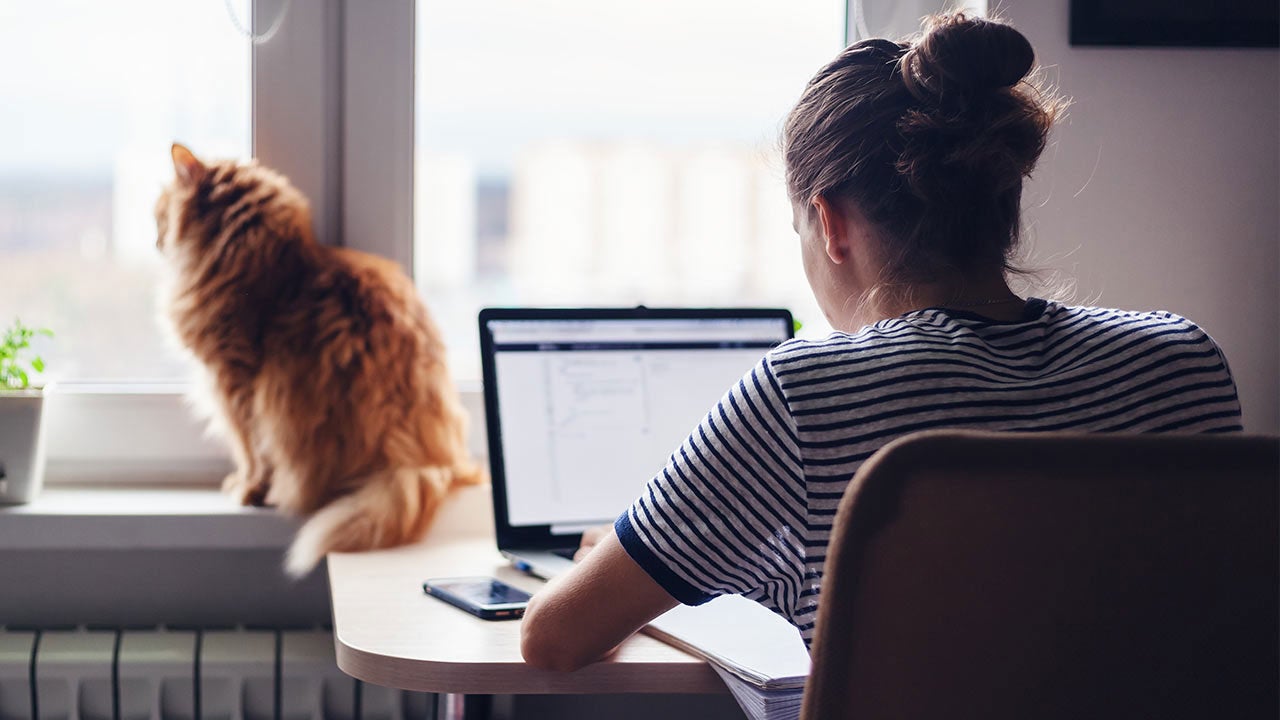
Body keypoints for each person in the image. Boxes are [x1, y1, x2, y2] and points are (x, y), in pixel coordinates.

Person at [520, 13, 1243, 672]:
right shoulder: (1181, 362)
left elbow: (553, 638)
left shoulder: (804, 395)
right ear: (1004, 194)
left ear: (829, 223)